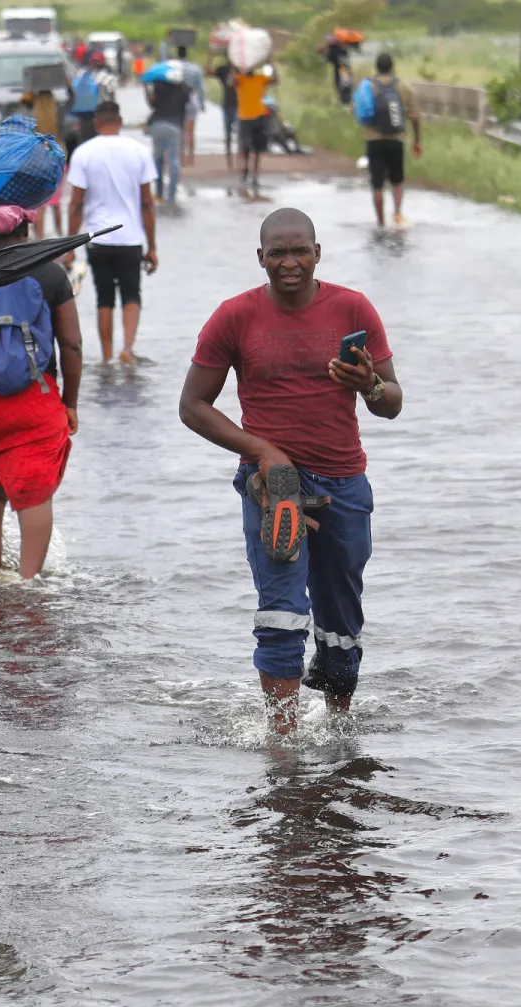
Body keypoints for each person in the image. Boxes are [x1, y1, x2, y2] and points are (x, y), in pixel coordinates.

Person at [177, 207, 403, 734]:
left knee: (341, 612)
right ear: (261, 258)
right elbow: (193, 406)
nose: (290, 263)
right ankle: (283, 738)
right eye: (277, 253)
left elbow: (390, 403)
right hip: (272, 487)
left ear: (318, 252)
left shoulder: (353, 309)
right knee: (280, 609)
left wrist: (367, 383)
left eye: (300, 250)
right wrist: (261, 450)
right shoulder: (234, 317)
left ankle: (338, 725)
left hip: (344, 482)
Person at [0, 213, 84, 580]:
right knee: (34, 495)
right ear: (27, 228)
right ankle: (28, 585)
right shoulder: (51, 273)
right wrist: (70, 402)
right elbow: (71, 344)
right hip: (35, 403)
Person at [64, 101, 158, 364]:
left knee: (104, 297)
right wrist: (152, 247)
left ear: (96, 122)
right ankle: (127, 348)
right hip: (130, 238)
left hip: (98, 238)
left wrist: (69, 248)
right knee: (131, 293)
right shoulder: (139, 151)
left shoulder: (83, 153)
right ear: (120, 121)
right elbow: (147, 203)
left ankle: (106, 357)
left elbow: (76, 204)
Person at [361, 53, 422, 228]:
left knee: (377, 183)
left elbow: (357, 110)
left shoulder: (368, 86)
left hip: (373, 140)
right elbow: (415, 117)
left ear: (376, 67)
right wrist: (417, 140)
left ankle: (380, 222)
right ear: (392, 67)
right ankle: (396, 214)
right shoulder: (403, 87)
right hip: (396, 140)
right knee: (397, 180)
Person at [144, 46, 193, 205]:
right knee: (174, 161)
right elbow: (185, 108)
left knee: (158, 160)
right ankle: (171, 195)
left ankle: (158, 192)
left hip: (158, 125)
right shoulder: (185, 88)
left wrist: (146, 89)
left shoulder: (158, 84)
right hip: (175, 127)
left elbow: (152, 104)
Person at [235, 63, 277, 191]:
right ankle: (245, 170)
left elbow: (275, 81)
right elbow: (231, 82)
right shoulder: (239, 79)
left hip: (259, 116)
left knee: (258, 148)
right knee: (245, 146)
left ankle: (255, 175)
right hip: (244, 117)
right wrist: (234, 65)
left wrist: (272, 64)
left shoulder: (260, 78)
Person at [212, 54, 239, 171]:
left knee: (240, 134)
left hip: (239, 105)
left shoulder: (241, 70)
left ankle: (240, 160)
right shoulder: (223, 69)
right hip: (227, 104)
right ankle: (229, 161)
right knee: (227, 134)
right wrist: (210, 55)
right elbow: (208, 73)